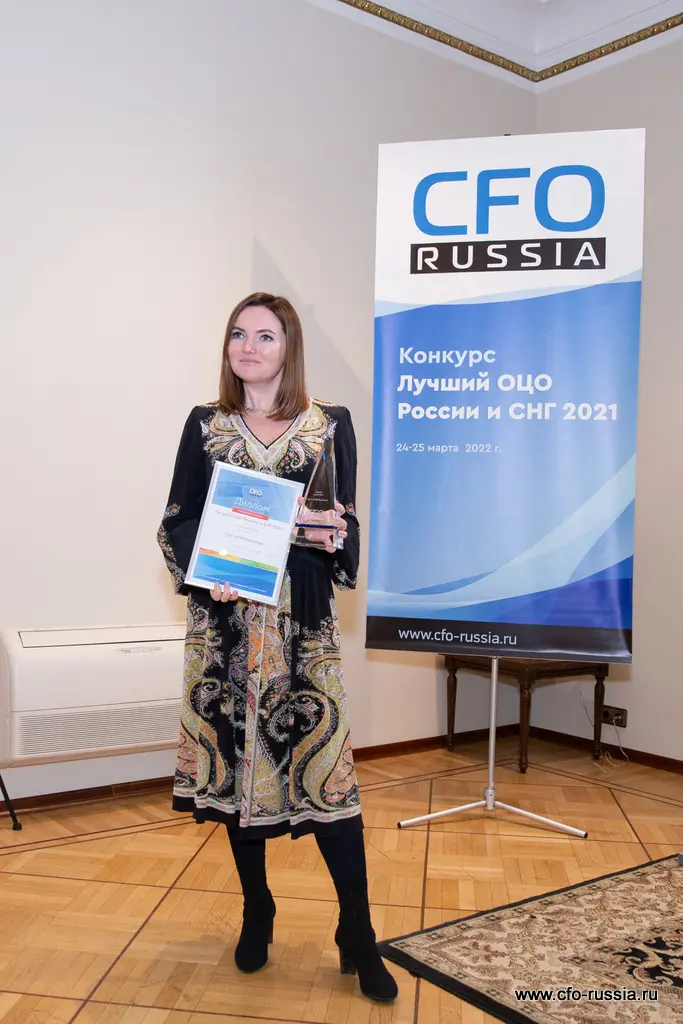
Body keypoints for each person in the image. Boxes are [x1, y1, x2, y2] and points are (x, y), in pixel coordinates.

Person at [157, 292, 398, 1002]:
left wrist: (332, 535)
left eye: (265, 335)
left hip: (301, 632)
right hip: (226, 628)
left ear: (289, 346)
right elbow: (177, 520)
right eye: (238, 334)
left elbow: (346, 528)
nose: (249, 346)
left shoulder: (329, 424)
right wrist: (205, 570)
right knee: (240, 775)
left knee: (327, 775)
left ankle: (357, 930)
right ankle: (256, 909)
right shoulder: (206, 425)